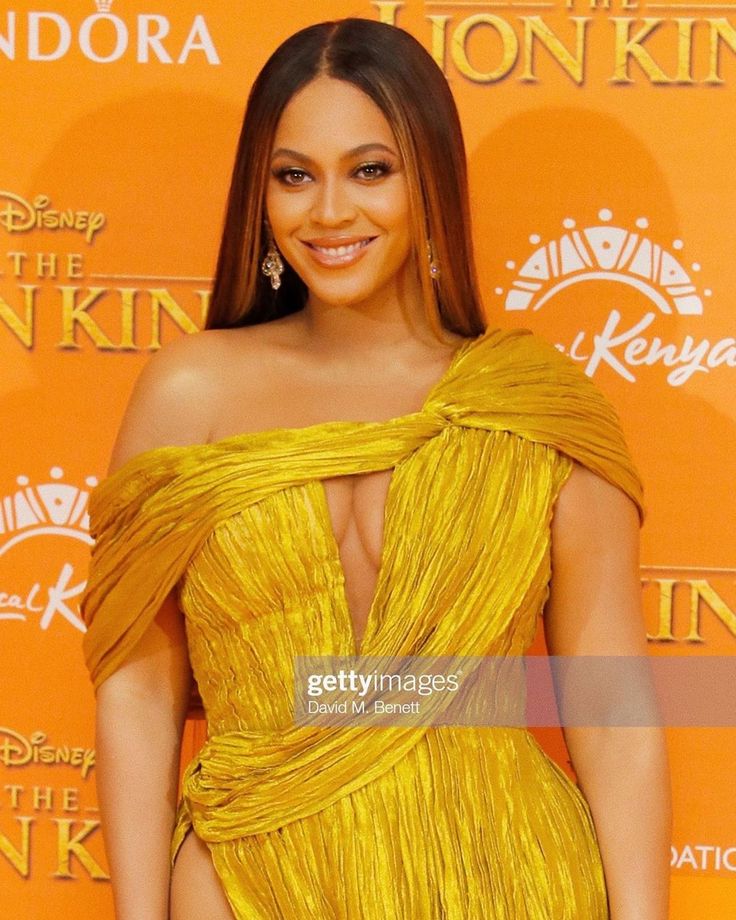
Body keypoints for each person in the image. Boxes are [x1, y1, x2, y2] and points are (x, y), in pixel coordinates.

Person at [80, 17, 672, 920]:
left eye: (370, 170)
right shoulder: (188, 391)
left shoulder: (533, 404)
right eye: (294, 175)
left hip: (500, 877)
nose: (328, 213)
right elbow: (138, 688)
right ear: (261, 192)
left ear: (430, 177)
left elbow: (610, 707)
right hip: (245, 882)